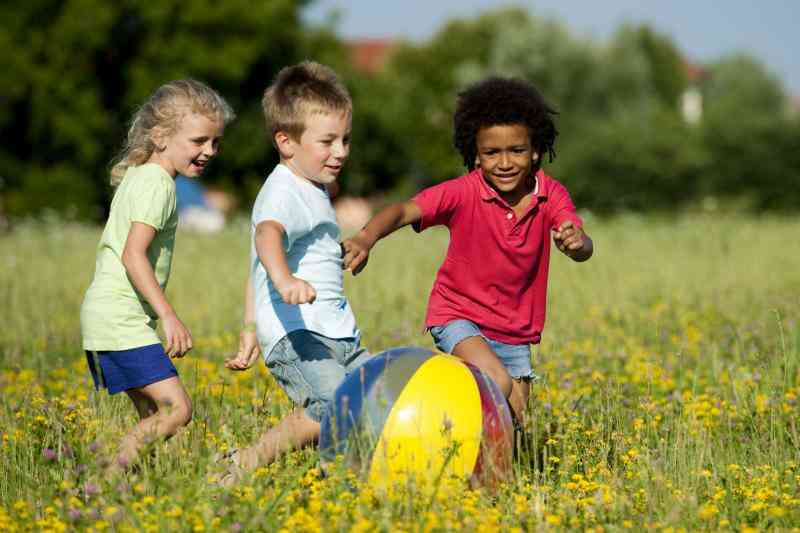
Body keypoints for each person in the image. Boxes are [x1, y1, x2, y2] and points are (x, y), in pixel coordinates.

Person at [342, 76, 593, 425]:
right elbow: (403, 211)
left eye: (516, 150)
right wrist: (366, 238)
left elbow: (580, 241)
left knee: (515, 423)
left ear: (535, 150)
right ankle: (432, 424)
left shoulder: (551, 194)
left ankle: (492, 477)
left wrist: (577, 243)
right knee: (496, 382)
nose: (504, 162)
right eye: (492, 152)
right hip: (458, 316)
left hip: (515, 330)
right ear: (476, 156)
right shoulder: (461, 193)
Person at [221, 61, 371, 483]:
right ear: (286, 142)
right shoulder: (283, 191)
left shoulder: (313, 188)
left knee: (376, 396)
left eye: (345, 139)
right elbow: (266, 238)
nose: (341, 151)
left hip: (337, 331)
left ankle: (349, 474)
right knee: (337, 406)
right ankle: (255, 464)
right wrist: (286, 281)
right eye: (328, 141)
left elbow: (256, 267)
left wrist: (249, 327)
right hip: (300, 335)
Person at [80, 79, 234, 474]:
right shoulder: (158, 185)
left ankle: (135, 486)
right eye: (199, 140)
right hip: (120, 319)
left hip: (107, 316)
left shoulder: (141, 175)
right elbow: (134, 255)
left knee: (151, 414)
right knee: (177, 408)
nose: (209, 151)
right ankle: (106, 482)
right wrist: (167, 314)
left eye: (215, 142)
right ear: (161, 136)